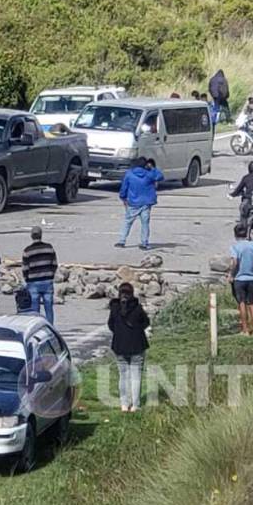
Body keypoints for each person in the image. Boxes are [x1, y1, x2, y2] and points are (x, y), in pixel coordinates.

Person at [108, 282, 150, 413]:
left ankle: (124, 404)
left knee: (123, 375)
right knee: (136, 376)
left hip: (119, 345)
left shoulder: (114, 308)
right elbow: (146, 322)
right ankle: (135, 405)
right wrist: (136, 331)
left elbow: (110, 325)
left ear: (119, 294)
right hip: (137, 345)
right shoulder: (137, 308)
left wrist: (120, 332)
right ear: (132, 294)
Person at [115, 157, 162, 250]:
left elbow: (124, 188)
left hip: (133, 202)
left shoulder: (129, 174)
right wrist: (152, 168)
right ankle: (144, 243)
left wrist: (123, 197)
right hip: (146, 203)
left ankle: (122, 241)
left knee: (127, 222)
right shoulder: (149, 174)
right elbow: (160, 176)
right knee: (145, 223)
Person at [22, 225, 58, 323]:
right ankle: (50, 327)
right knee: (49, 307)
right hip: (47, 281)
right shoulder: (49, 248)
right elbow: (54, 264)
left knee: (34, 309)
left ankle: (36, 327)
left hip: (33, 282)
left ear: (31, 236)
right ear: (41, 235)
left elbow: (25, 268)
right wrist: (51, 275)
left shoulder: (27, 251)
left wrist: (27, 279)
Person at [229, 223, 253, 338]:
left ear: (235, 235)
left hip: (239, 279)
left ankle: (245, 330)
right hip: (251, 278)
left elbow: (234, 263)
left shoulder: (235, 247)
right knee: (252, 304)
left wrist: (231, 274)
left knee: (241, 303)